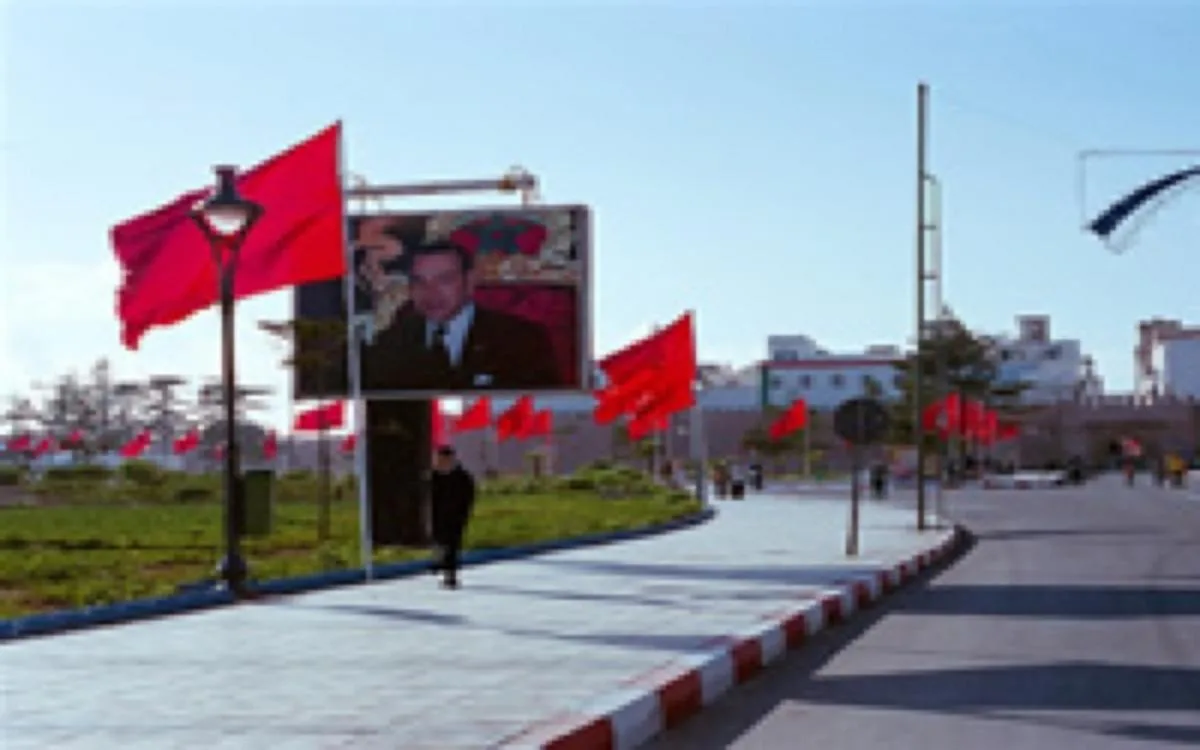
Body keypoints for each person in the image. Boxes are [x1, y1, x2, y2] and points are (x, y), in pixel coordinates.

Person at [362, 239, 562, 391]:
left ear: (470, 282)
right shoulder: (390, 343)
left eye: (444, 280)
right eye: (419, 281)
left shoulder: (521, 339)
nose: (430, 293)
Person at [428, 445, 476, 589]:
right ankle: (440, 562)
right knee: (439, 542)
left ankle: (450, 575)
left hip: (455, 517)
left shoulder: (462, 477)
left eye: (443, 459)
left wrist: (463, 514)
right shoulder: (432, 477)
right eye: (438, 459)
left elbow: (468, 497)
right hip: (436, 516)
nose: (440, 462)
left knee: (452, 545)